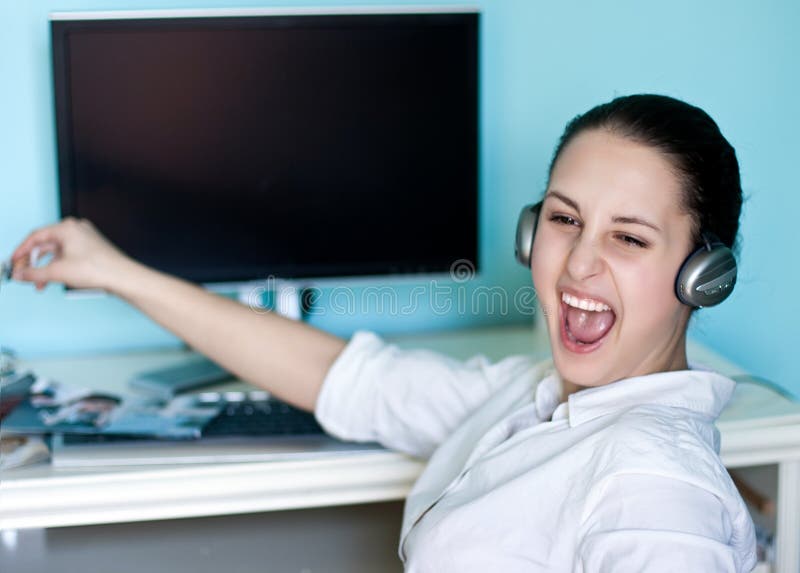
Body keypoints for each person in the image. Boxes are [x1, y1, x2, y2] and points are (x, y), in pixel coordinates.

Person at [11, 94, 757, 572]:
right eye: (565, 219)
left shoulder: (654, 481)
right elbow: (341, 375)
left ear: (703, 276)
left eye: (629, 238)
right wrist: (118, 270)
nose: (579, 264)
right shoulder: (531, 398)